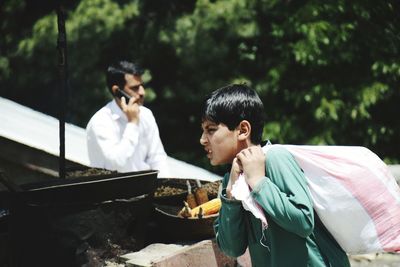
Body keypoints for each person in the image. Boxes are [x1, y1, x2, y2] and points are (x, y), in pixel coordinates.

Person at [199, 84, 350, 266]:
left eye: (211, 129)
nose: (202, 139)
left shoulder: (275, 158)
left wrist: (259, 183)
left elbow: (303, 222)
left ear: (243, 130)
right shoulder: (230, 182)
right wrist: (230, 195)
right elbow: (232, 249)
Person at [86, 60, 169, 176]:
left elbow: (157, 158)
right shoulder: (100, 122)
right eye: (135, 88)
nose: (142, 92)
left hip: (145, 189)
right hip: (112, 191)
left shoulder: (146, 114)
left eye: (142, 86)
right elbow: (116, 164)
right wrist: (133, 123)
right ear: (117, 91)